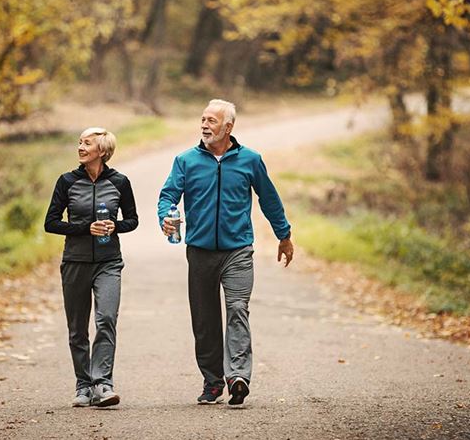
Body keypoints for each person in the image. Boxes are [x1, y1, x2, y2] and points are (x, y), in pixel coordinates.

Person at [158, 99, 293, 407]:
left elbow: (269, 199)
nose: (205, 125)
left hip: (238, 251)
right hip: (200, 251)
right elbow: (168, 195)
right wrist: (166, 215)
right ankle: (213, 381)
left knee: (237, 309)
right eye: (203, 119)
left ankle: (238, 376)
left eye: (212, 121)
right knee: (204, 321)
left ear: (229, 127)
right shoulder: (186, 161)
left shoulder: (250, 160)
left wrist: (284, 235)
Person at [44, 127, 138, 407]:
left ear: (102, 150)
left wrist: (115, 226)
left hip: (109, 262)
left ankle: (102, 383)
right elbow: (51, 223)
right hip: (75, 262)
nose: (81, 147)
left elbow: (132, 220)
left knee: (106, 319)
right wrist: (86, 228)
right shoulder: (67, 182)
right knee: (77, 329)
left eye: (87, 143)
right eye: (80, 143)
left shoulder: (120, 182)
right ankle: (83, 385)